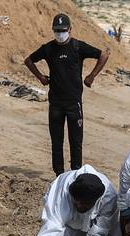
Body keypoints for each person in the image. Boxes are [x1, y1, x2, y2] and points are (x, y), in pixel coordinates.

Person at [25, 13, 110, 175]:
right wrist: (40, 77)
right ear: (53, 30)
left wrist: (92, 76)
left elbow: (103, 56)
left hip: (74, 104)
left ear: (70, 29)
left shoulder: (78, 47)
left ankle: (75, 174)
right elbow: (29, 61)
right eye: (57, 30)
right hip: (55, 104)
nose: (60, 33)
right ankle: (59, 175)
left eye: (63, 30)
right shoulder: (48, 48)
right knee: (56, 142)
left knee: (76, 142)